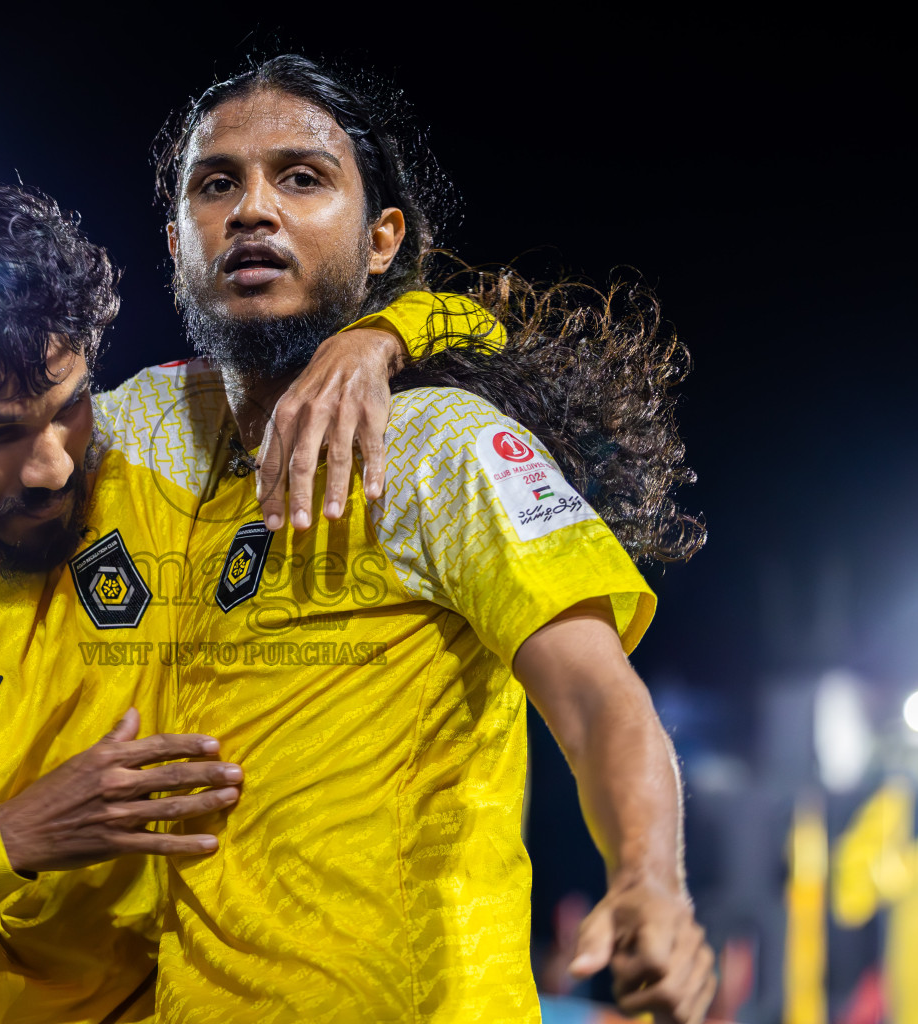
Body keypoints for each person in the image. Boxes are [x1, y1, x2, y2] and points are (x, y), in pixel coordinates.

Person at [0, 178, 464, 1022]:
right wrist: (15, 838)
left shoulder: (155, 430)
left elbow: (491, 320)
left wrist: (374, 343)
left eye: (68, 406)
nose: (53, 466)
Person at [145, 55, 716, 1023]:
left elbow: (596, 694)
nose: (252, 209)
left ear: (382, 241)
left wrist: (649, 878)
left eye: (301, 177)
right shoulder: (159, 452)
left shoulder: (439, 443)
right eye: (217, 183)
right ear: (176, 243)